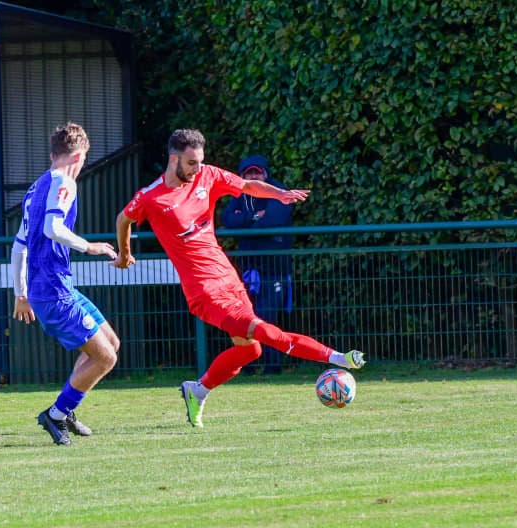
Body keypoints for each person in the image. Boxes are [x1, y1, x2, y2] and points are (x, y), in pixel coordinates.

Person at [114, 129, 365, 428]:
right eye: (191, 163)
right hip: (204, 292)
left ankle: (197, 391)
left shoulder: (207, 175)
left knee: (250, 349)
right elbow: (124, 219)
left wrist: (279, 194)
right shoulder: (151, 196)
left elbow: (246, 185)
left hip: (228, 279)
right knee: (264, 331)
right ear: (173, 159)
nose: (197, 168)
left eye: (200, 161)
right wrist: (124, 254)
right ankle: (338, 358)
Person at [11, 122, 121, 446]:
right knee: (106, 358)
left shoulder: (36, 188)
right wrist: (90, 247)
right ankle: (56, 413)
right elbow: (53, 228)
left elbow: (19, 244)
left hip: (54, 287)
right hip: (53, 290)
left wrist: (20, 293)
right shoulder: (65, 183)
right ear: (79, 156)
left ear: (52, 154)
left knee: (110, 343)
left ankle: (65, 409)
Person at [220, 155, 295, 374]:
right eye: (249, 173)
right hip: (249, 268)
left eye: (257, 172)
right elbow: (227, 219)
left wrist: (245, 220)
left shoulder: (278, 190)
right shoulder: (240, 193)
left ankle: (273, 367)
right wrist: (254, 217)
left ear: (265, 174)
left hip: (275, 268)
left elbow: (273, 220)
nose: (254, 176)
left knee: (267, 316)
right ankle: (249, 366)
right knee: (245, 318)